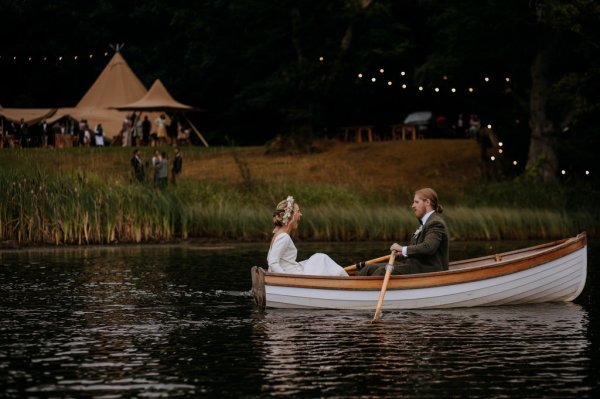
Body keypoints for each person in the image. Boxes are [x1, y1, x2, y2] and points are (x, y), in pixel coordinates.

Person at [359, 188, 449, 276]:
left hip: (429, 270)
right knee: (369, 268)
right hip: (413, 266)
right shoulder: (426, 223)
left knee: (382, 271)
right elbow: (418, 250)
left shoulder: (435, 223)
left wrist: (402, 249)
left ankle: (365, 289)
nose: (413, 205)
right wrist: (402, 253)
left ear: (427, 202)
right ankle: (355, 286)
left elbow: (428, 247)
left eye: (416, 202)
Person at [267, 196, 349, 276]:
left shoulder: (278, 233)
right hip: (293, 276)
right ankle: (346, 280)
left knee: (318, 259)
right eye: (298, 211)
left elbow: (273, 260)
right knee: (321, 258)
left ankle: (341, 277)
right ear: (291, 216)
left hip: (294, 271)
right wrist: (286, 279)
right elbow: (272, 262)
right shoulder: (283, 237)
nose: (300, 214)